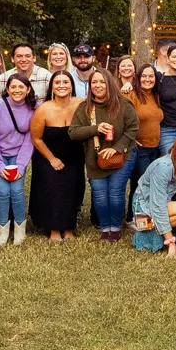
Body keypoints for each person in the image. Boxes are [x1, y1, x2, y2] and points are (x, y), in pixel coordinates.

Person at [70, 68, 139, 243]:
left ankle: (115, 229)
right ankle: (105, 228)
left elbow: (133, 128)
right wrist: (95, 128)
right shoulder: (84, 108)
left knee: (115, 193)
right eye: (94, 82)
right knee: (99, 194)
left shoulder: (123, 104)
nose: (98, 86)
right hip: (95, 157)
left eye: (102, 82)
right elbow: (73, 133)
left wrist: (117, 148)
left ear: (109, 83)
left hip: (122, 155)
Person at [0, 74, 38, 246]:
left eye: (21, 87)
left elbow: (30, 139)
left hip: (18, 154)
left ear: (28, 89)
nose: (17, 90)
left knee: (17, 191)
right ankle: (2, 230)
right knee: (3, 191)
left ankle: (20, 229)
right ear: (7, 89)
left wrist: (21, 165)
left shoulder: (33, 108)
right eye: (13, 87)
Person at [30, 70, 86, 241]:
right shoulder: (43, 109)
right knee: (52, 189)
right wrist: (52, 159)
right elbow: (36, 138)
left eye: (65, 82)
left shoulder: (82, 104)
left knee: (72, 190)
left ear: (71, 85)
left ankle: (68, 228)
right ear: (52, 87)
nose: (61, 85)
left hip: (74, 156)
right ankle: (54, 229)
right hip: (48, 156)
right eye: (57, 82)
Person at [132, 134, 176, 255]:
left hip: (165, 204)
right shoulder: (164, 166)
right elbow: (158, 205)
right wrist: (171, 244)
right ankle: (145, 228)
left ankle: (153, 227)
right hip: (145, 204)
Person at [125, 64, 165, 220]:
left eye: (151, 76)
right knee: (140, 184)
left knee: (152, 184)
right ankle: (133, 217)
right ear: (138, 78)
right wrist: (131, 139)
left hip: (155, 147)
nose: (147, 79)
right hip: (139, 148)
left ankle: (147, 215)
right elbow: (122, 118)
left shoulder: (155, 96)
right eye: (144, 76)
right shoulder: (132, 95)